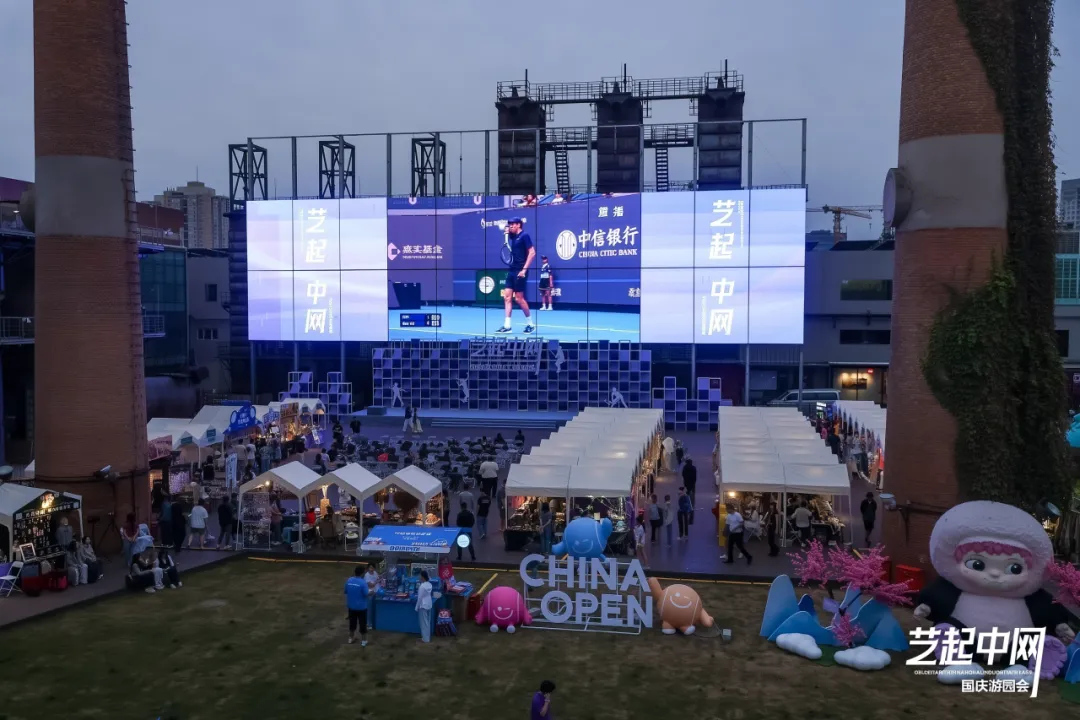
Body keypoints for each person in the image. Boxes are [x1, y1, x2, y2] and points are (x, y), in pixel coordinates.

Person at [495, 218, 535, 334]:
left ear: (519, 225)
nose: (511, 226)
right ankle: (507, 326)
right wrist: (506, 232)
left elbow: (532, 253)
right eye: (510, 224)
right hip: (512, 270)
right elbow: (508, 233)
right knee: (507, 297)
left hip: (520, 271)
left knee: (518, 298)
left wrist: (524, 270)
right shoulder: (513, 236)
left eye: (513, 224)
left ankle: (530, 324)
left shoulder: (525, 236)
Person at [345, 566, 370, 646]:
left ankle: (350, 639)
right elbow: (366, 594)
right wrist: (372, 592)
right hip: (361, 608)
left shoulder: (349, 580)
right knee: (363, 624)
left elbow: (346, 591)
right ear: (362, 573)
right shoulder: (363, 583)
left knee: (352, 623)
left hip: (351, 607)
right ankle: (364, 641)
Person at [415, 569, 434, 643]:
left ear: (422, 577)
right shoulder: (429, 585)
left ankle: (425, 639)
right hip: (429, 604)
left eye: (420, 576)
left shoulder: (422, 586)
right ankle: (427, 638)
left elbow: (419, 598)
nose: (419, 577)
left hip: (423, 606)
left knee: (423, 623)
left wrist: (416, 607)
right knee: (427, 622)